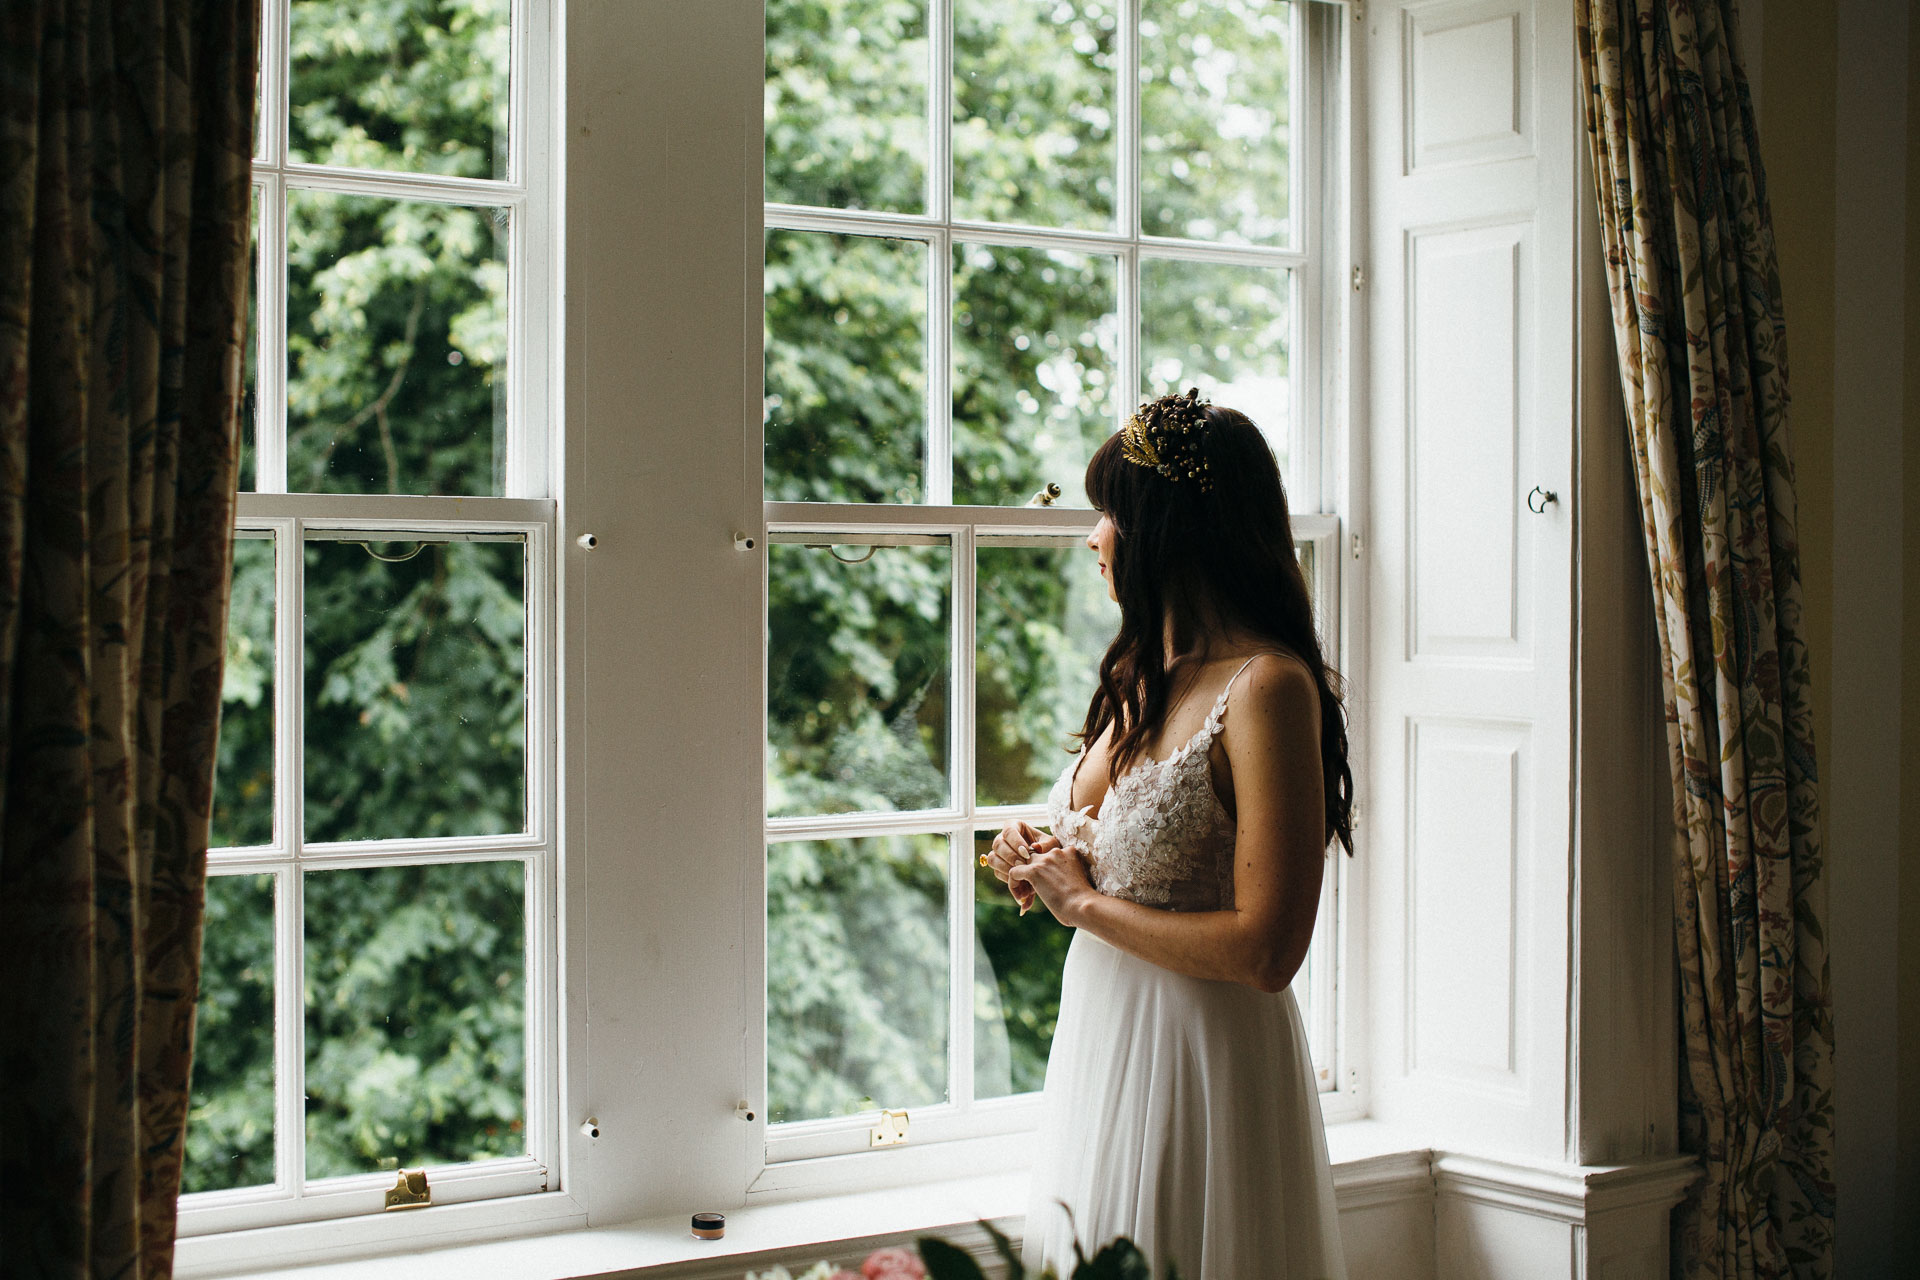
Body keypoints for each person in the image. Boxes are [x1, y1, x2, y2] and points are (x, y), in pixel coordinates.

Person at [982, 389, 1355, 1280]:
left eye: (1109, 513)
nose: (1092, 537)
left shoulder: (1267, 688)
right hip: (1102, 1049)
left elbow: (1269, 950)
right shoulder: (1140, 675)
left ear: (1167, 531)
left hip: (1202, 1065)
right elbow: (1121, 863)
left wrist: (1083, 904)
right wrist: (1043, 856)